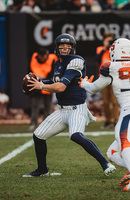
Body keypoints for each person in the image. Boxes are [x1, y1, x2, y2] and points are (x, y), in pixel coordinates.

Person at [22, 33, 116, 177]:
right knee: (38, 135)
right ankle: (42, 170)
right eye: (62, 46)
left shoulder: (76, 61)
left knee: (76, 135)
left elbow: (60, 87)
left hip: (77, 108)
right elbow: (54, 80)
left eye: (68, 46)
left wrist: (40, 86)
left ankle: (105, 164)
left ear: (72, 48)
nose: (65, 48)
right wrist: (38, 82)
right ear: (56, 47)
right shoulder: (58, 63)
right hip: (62, 110)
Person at [80, 38, 130, 191]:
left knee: (126, 146)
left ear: (114, 51)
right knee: (113, 152)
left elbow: (94, 88)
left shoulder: (111, 67)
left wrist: (84, 84)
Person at [28, 47, 57, 132]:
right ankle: (33, 124)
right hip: (36, 85)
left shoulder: (52, 58)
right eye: (41, 56)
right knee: (35, 106)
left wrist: (46, 84)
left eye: (43, 56)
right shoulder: (34, 58)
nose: (42, 58)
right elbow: (29, 71)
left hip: (48, 85)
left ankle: (46, 124)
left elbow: (54, 73)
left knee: (48, 106)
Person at [95, 32, 120, 129]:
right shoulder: (100, 49)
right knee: (105, 102)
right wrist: (105, 48)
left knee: (115, 101)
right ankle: (108, 121)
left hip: (114, 77)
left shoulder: (115, 50)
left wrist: (111, 48)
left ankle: (116, 120)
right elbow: (97, 59)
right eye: (107, 40)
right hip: (103, 78)